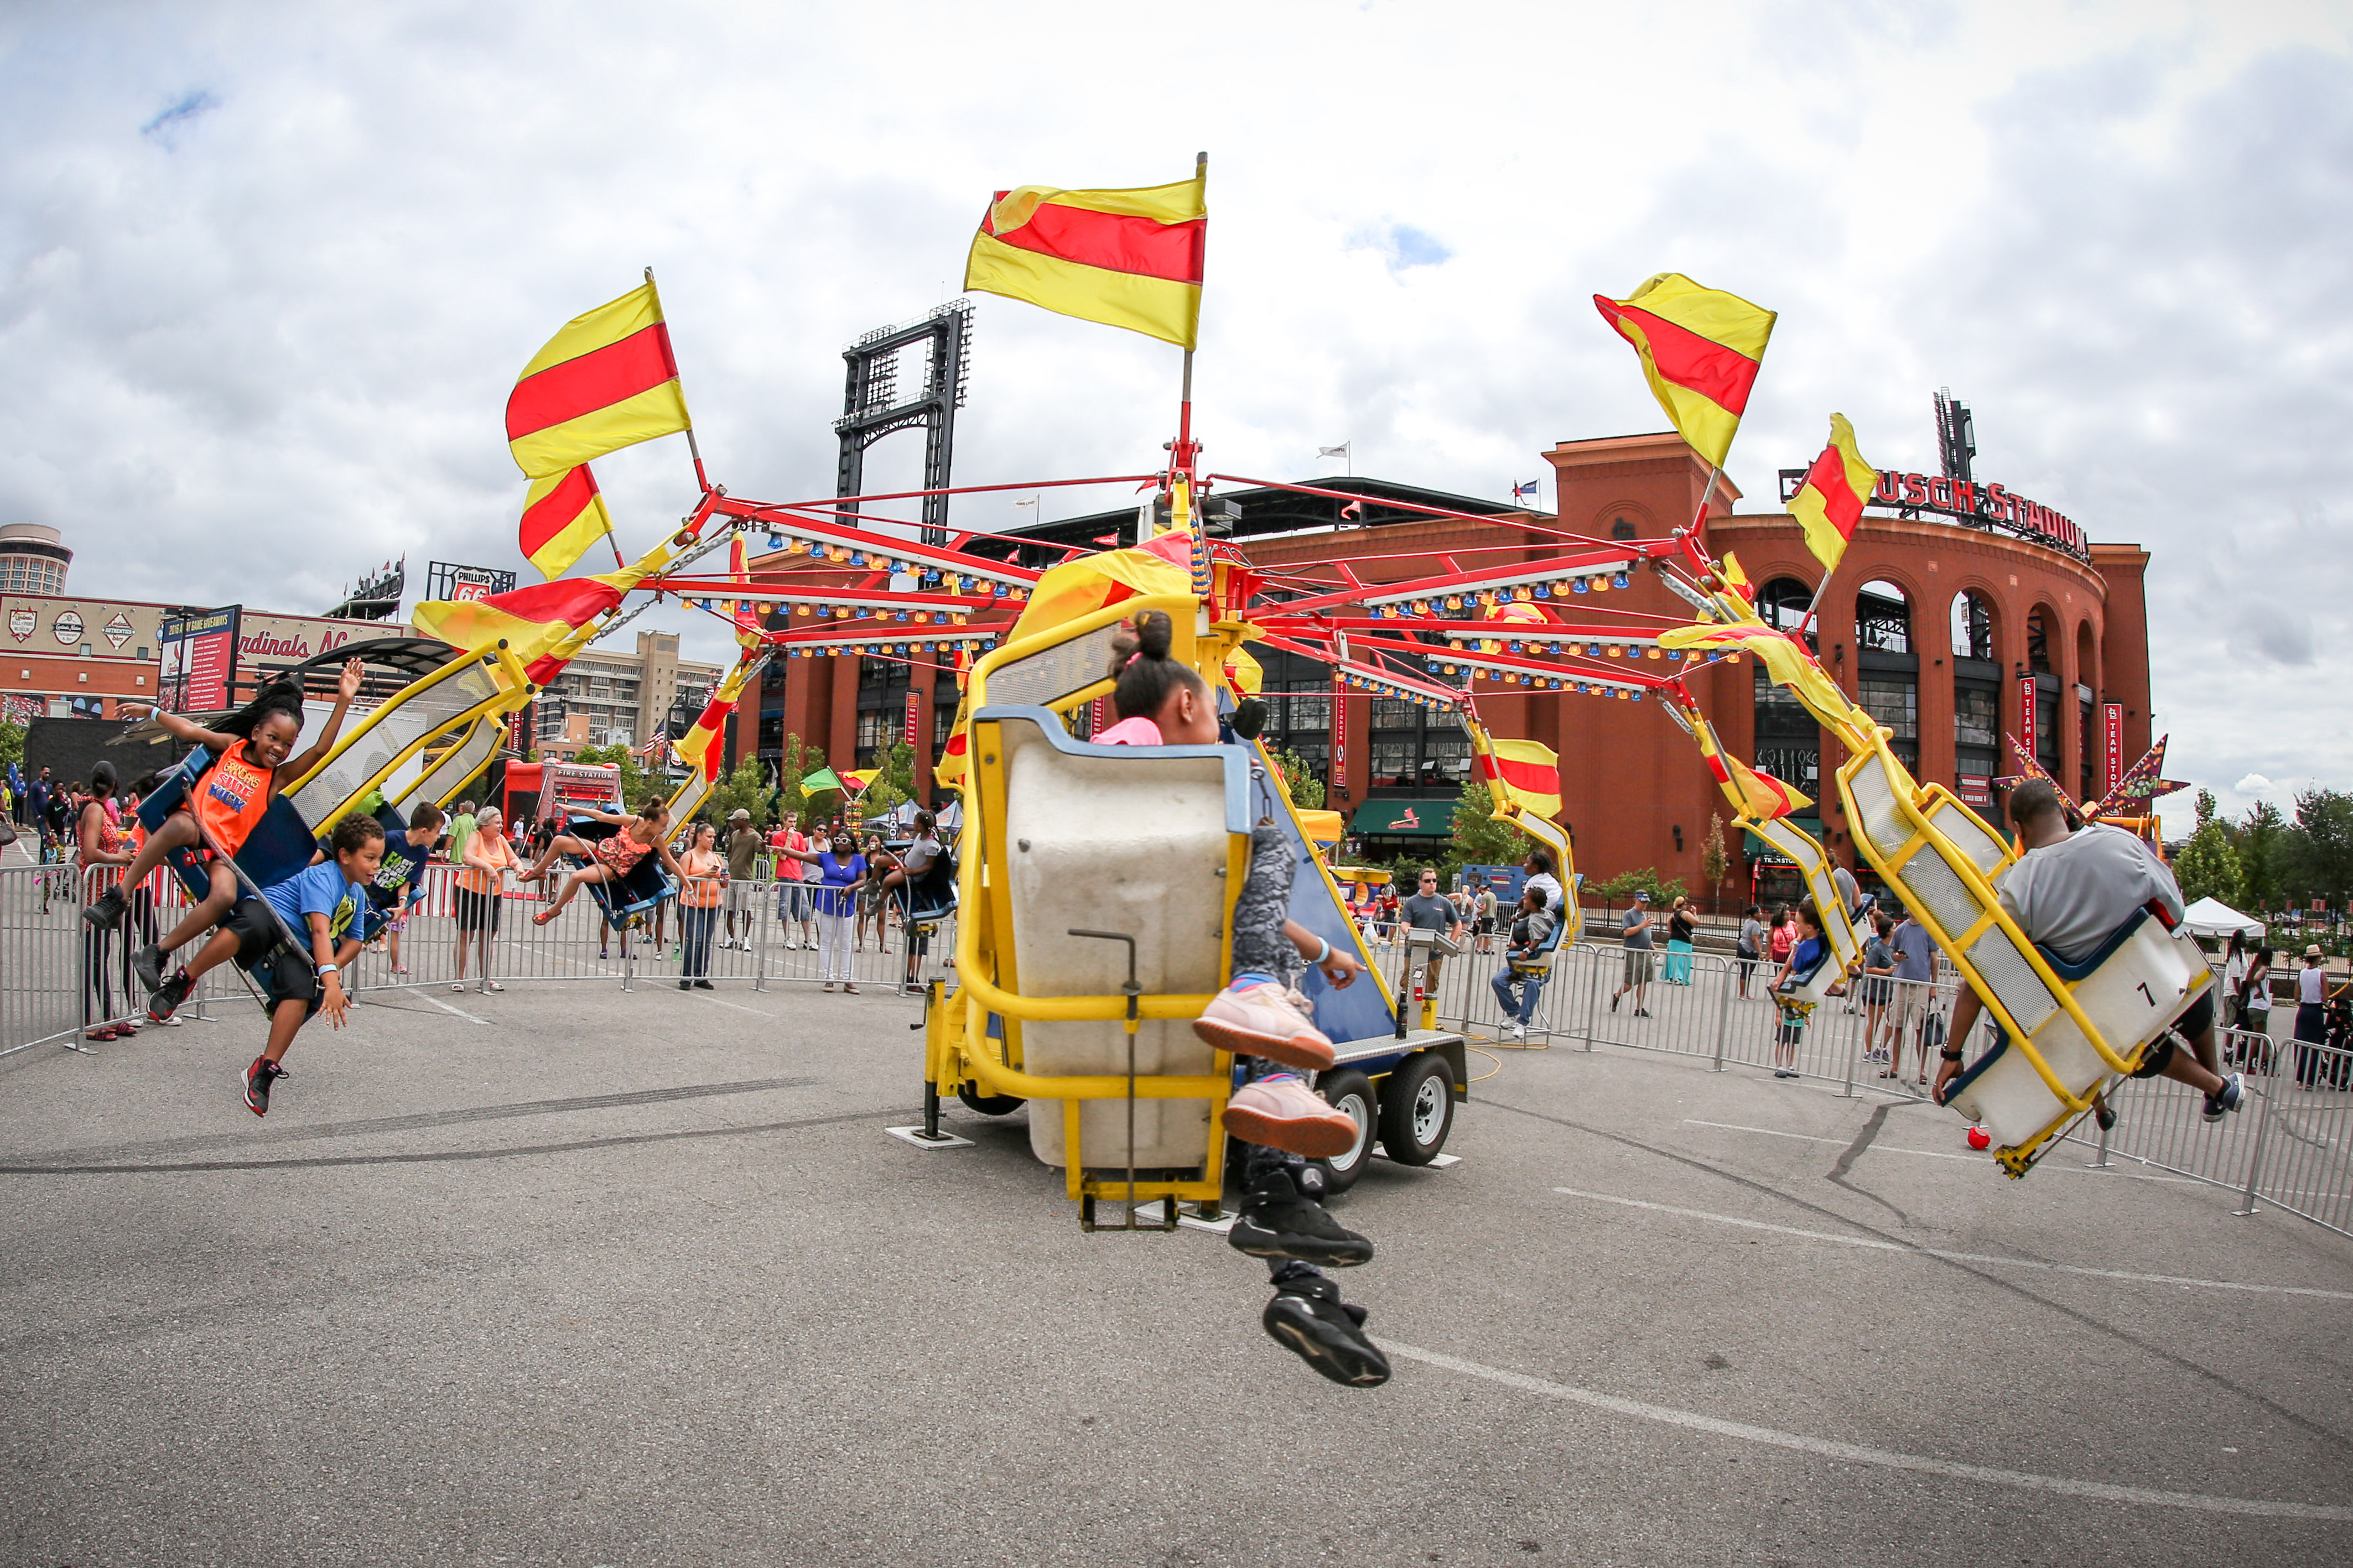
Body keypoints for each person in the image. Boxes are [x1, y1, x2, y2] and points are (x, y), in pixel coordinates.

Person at [1094, 610, 1385, 1386]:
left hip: (1157, 954)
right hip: (1138, 961)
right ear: (1189, 705)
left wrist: (1323, 950)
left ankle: (1302, 1278)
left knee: (1274, 1073)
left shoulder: (1145, 777)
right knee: (1273, 837)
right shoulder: (1138, 749)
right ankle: (1263, 1004)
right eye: (1214, 717)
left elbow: (1229, 893)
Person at [1934, 780, 2244, 1122]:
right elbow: (2175, 909)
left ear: (2019, 829)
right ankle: (2215, 1084)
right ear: (2062, 814)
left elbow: (1982, 973)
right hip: (2155, 976)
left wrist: (1953, 1052)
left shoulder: (2022, 883)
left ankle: (2216, 1087)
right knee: (2186, 978)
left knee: (2128, 1044)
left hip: (2104, 1012)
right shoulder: (2120, 842)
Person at [89, 664, 366, 980]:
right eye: (273, 738)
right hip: (196, 829)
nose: (278, 748)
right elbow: (190, 731)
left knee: (224, 897)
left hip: (222, 853)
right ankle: (118, 897)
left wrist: (343, 700)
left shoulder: (276, 779)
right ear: (257, 732)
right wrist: (152, 712)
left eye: (287, 745)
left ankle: (158, 952)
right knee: (179, 825)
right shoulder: (232, 747)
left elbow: (320, 750)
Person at [162, 813, 383, 1116]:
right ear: (344, 856)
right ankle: (184, 979)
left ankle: (264, 1070)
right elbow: (320, 930)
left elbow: (356, 940)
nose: (377, 866)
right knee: (251, 924)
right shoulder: (324, 877)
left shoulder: (357, 893)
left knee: (301, 990)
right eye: (370, 858)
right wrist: (331, 980)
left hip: (298, 944)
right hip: (273, 915)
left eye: (378, 859)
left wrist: (327, 973)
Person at [521, 796, 687, 926]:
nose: (666, 830)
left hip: (611, 869)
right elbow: (601, 816)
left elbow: (671, 863)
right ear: (650, 822)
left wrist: (687, 884)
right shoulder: (633, 821)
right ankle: (538, 872)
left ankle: (554, 911)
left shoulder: (656, 840)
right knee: (558, 841)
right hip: (600, 849)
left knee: (577, 877)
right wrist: (574, 808)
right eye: (663, 825)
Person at [75, 762, 139, 1041]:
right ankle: (91, 1021)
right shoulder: (94, 810)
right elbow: (90, 852)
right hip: (95, 892)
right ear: (114, 786)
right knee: (95, 957)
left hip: (106, 891)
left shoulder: (100, 810)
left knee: (102, 955)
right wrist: (121, 858)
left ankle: (109, 1015)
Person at [361, 801, 443, 983]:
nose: (438, 837)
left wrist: (402, 905)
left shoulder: (421, 853)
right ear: (424, 831)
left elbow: (406, 884)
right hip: (363, 895)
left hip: (380, 904)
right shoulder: (390, 839)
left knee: (356, 941)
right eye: (437, 832)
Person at [454, 804, 515, 991]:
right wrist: (488, 868)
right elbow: (468, 857)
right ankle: (459, 978)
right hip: (469, 891)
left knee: (488, 936)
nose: (500, 826)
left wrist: (519, 866)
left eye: (501, 823)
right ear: (485, 824)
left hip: (492, 894)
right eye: (497, 823)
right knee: (466, 934)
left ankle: (486, 978)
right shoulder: (476, 837)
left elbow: (512, 858)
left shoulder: (501, 840)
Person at [1488, 884, 1556, 1042]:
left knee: (1532, 983)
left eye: (1526, 899)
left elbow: (1538, 940)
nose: (1524, 901)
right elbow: (1525, 913)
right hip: (1532, 960)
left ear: (1532, 903)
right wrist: (1519, 915)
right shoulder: (1546, 913)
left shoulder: (1534, 921)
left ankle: (1522, 1022)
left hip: (1538, 963)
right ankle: (1513, 1012)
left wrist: (1526, 952)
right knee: (1498, 981)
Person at [1768, 898, 1826, 1078]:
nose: (1795, 925)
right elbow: (1782, 999)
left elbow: (1799, 965)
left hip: (1799, 1008)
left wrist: (1807, 1017)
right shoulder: (1809, 942)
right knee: (1784, 1040)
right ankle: (1780, 1065)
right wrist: (1779, 1014)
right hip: (1790, 1010)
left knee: (1793, 1041)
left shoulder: (1807, 947)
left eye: (1798, 923)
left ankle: (1790, 1065)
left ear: (1809, 927)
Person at [1398, 866, 1465, 1015]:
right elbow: (1404, 924)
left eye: (1434, 880)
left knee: (1430, 985)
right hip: (1414, 952)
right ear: (1420, 883)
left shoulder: (1444, 903)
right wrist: (1410, 932)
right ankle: (1405, 1016)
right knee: (1408, 983)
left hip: (1434, 954)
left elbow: (1457, 924)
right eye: (1428, 881)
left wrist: (1449, 944)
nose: (1432, 883)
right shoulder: (1412, 903)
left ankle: (1425, 1017)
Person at [812, 824, 865, 992]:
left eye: (844, 840)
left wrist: (851, 887)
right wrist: (779, 849)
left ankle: (848, 980)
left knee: (846, 944)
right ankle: (829, 979)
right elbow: (802, 856)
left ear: (852, 843)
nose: (840, 843)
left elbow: (863, 880)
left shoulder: (858, 860)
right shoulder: (827, 858)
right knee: (826, 942)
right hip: (825, 905)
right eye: (837, 840)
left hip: (846, 907)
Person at [1887, 907, 1936, 1083]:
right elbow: (1893, 953)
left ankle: (1921, 1070)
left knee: (1920, 1028)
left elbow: (1934, 957)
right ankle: (1895, 1065)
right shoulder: (1901, 929)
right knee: (1897, 1025)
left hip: (1921, 984)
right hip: (1901, 982)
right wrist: (1897, 957)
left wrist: (1933, 986)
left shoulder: (1928, 929)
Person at [677, 821, 724, 989]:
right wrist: (703, 875)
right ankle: (686, 976)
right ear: (699, 836)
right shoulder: (689, 856)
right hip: (692, 904)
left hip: (714, 904)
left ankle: (700, 975)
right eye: (709, 837)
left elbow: (722, 882)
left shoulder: (716, 857)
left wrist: (724, 879)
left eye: (713, 837)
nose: (712, 840)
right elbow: (684, 878)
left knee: (706, 941)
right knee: (694, 940)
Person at [771, 811, 816, 950]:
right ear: (784, 821)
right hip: (785, 875)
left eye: (795, 821)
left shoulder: (800, 836)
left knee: (805, 908)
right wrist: (789, 838)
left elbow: (802, 854)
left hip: (798, 875)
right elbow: (783, 856)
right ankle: (787, 937)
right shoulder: (778, 836)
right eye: (790, 821)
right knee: (785, 907)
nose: (793, 824)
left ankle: (808, 939)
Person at [719, 809, 763, 950]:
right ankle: (731, 937)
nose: (732, 823)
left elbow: (761, 850)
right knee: (728, 909)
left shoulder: (754, 836)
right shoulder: (735, 835)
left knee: (745, 909)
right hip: (731, 876)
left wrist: (764, 847)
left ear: (743, 820)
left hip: (745, 877)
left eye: (735, 820)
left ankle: (745, 938)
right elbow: (730, 851)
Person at [1861, 911, 1898, 1076]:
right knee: (1874, 1020)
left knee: (1893, 1020)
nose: (1896, 929)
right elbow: (1868, 968)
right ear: (1888, 930)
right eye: (1893, 927)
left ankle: (1882, 1048)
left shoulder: (1893, 948)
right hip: (1875, 989)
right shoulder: (1877, 948)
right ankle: (1868, 1052)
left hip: (1889, 989)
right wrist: (1886, 971)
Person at [2294, 944, 2334, 1090]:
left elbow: (2296, 997)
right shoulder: (2321, 974)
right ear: (2318, 958)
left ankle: (2301, 1079)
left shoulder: (2301, 974)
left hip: (2303, 1010)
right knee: (2315, 1044)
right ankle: (2311, 1079)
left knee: (2301, 1045)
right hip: (2316, 1010)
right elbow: (2325, 997)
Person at [1609, 890, 1654, 1016]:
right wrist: (1642, 926)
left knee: (1644, 981)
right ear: (1636, 900)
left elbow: (1646, 934)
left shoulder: (1644, 915)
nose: (1645, 905)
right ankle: (1617, 996)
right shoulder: (1629, 914)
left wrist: (1653, 948)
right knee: (1629, 983)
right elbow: (1626, 932)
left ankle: (1639, 1008)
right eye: (1642, 902)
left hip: (1645, 952)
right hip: (1634, 952)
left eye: (1646, 903)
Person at [2238, 945, 2274, 1072]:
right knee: (2257, 1037)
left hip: (2253, 1005)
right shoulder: (2263, 969)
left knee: (2262, 1036)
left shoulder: (2254, 968)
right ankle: (2248, 1063)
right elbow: (2257, 979)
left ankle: (2267, 1061)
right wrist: (2261, 992)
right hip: (2260, 1006)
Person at [1522, 848, 1565, 922]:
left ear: (1535, 867)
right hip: (1556, 914)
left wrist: (1517, 917)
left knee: (1519, 929)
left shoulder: (1533, 883)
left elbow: (1529, 907)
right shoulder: (1551, 879)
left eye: (1527, 863)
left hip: (1545, 916)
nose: (1524, 865)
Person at [1661, 894, 1696, 985]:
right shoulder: (1686, 914)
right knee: (1684, 960)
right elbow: (1696, 923)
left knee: (1673, 959)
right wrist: (1695, 913)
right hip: (1685, 941)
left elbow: (1669, 929)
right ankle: (1683, 978)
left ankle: (1672, 976)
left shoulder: (1672, 916)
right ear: (1683, 905)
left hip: (1673, 940)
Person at [2221, 929, 2252, 1031]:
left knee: (2236, 1022)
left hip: (2236, 992)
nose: (2246, 940)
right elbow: (2235, 977)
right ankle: (2228, 1046)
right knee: (2232, 1022)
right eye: (2244, 938)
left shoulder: (2240, 953)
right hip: (2233, 993)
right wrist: (2239, 994)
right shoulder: (2236, 956)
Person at [1736, 903, 1764, 999]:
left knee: (1744, 971)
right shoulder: (1755, 924)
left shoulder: (1748, 922)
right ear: (1755, 914)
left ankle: (1743, 993)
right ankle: (1743, 994)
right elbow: (1754, 939)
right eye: (1759, 912)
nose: (1761, 914)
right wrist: (1760, 953)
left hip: (1742, 947)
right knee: (1747, 971)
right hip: (1749, 950)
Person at [445, 799, 479, 872]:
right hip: (469, 860)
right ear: (473, 811)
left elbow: (451, 837)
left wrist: (444, 852)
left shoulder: (458, 820)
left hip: (456, 859)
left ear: (463, 809)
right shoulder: (475, 823)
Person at [1473, 882, 1498, 955]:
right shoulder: (1493, 895)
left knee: (1486, 934)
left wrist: (1479, 912)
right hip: (1492, 916)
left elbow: (1484, 908)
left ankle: (1486, 949)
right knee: (1485, 933)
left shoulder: (1485, 896)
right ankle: (1490, 948)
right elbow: (1495, 906)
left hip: (1486, 916)